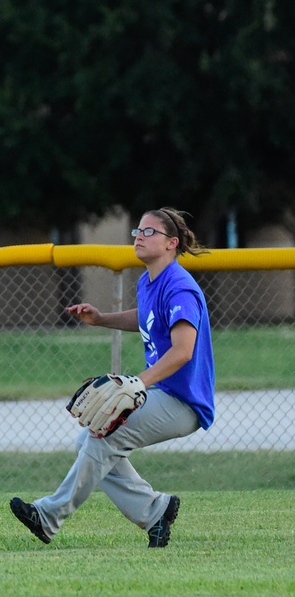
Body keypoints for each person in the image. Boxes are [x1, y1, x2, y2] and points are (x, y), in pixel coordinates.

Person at [11, 207, 215, 548]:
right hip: (164, 394)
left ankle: (49, 516)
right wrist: (102, 318)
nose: (139, 236)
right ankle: (155, 512)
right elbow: (148, 317)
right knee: (89, 442)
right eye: (138, 230)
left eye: (150, 232)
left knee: (103, 436)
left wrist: (139, 382)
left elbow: (183, 351)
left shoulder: (180, 287)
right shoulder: (149, 281)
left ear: (171, 243)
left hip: (184, 402)